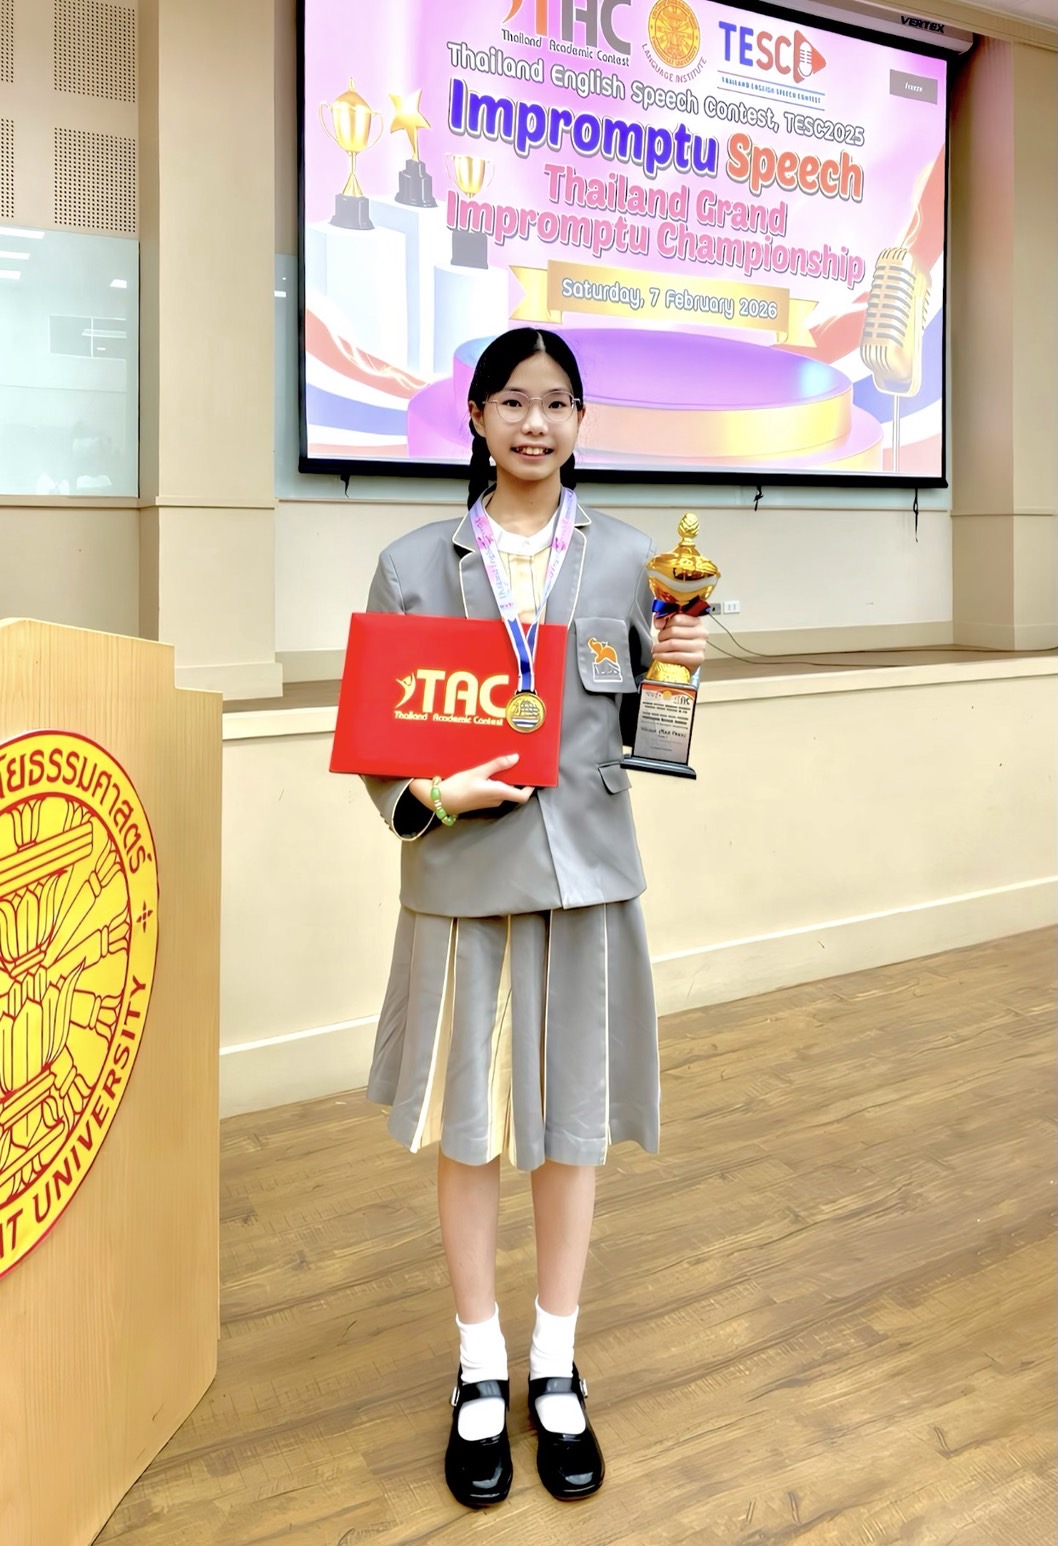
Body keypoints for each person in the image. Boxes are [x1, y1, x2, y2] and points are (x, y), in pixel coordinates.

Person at [360, 328, 708, 1508]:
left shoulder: (632, 560)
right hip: (461, 884)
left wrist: (682, 664)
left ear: (578, 422)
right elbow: (380, 744)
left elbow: (653, 734)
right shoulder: (414, 562)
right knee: (467, 1132)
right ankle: (477, 1366)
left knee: (570, 1128)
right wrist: (433, 795)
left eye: (557, 403)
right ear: (473, 415)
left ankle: (554, 1363)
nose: (535, 423)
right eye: (513, 401)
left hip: (584, 881)